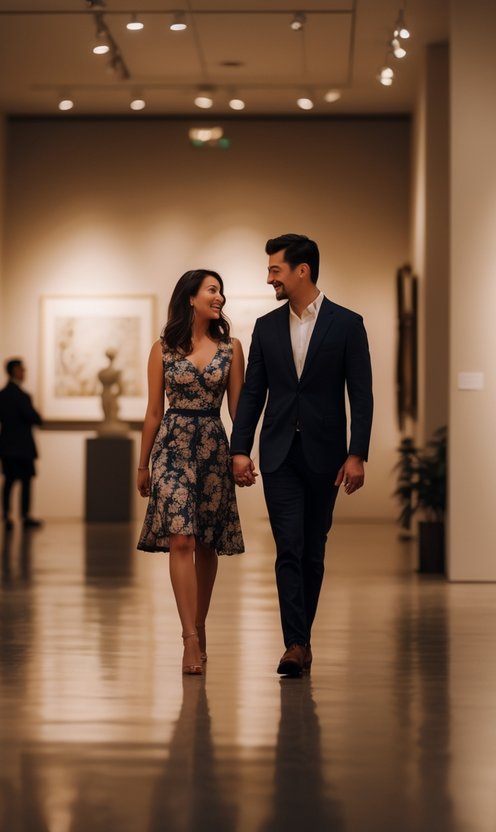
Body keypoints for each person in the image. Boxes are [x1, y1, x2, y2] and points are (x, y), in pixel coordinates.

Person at [231, 234, 373, 677]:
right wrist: (240, 448)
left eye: (275, 269)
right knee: (288, 547)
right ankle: (294, 643)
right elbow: (253, 392)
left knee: (313, 549)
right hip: (278, 455)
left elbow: (362, 395)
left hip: (326, 455)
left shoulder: (348, 324)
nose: (269, 277)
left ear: (301, 271)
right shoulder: (266, 327)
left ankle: (302, 639)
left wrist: (357, 454)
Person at [137, 269, 246, 675]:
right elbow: (152, 412)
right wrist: (142, 462)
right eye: (212, 290)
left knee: (206, 544)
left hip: (213, 450)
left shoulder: (232, 348)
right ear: (191, 298)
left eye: (221, 291)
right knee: (180, 537)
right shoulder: (162, 349)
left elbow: (239, 412)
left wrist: (245, 454)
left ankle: (200, 623)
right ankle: (189, 639)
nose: (220, 297)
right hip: (172, 449)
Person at [0, 358, 44, 530]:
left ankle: (7, 516)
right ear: (14, 371)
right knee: (25, 482)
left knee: (8, 482)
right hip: (23, 446)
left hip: (7, 446)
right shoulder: (23, 396)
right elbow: (35, 418)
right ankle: (24, 516)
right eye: (22, 369)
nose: (24, 373)